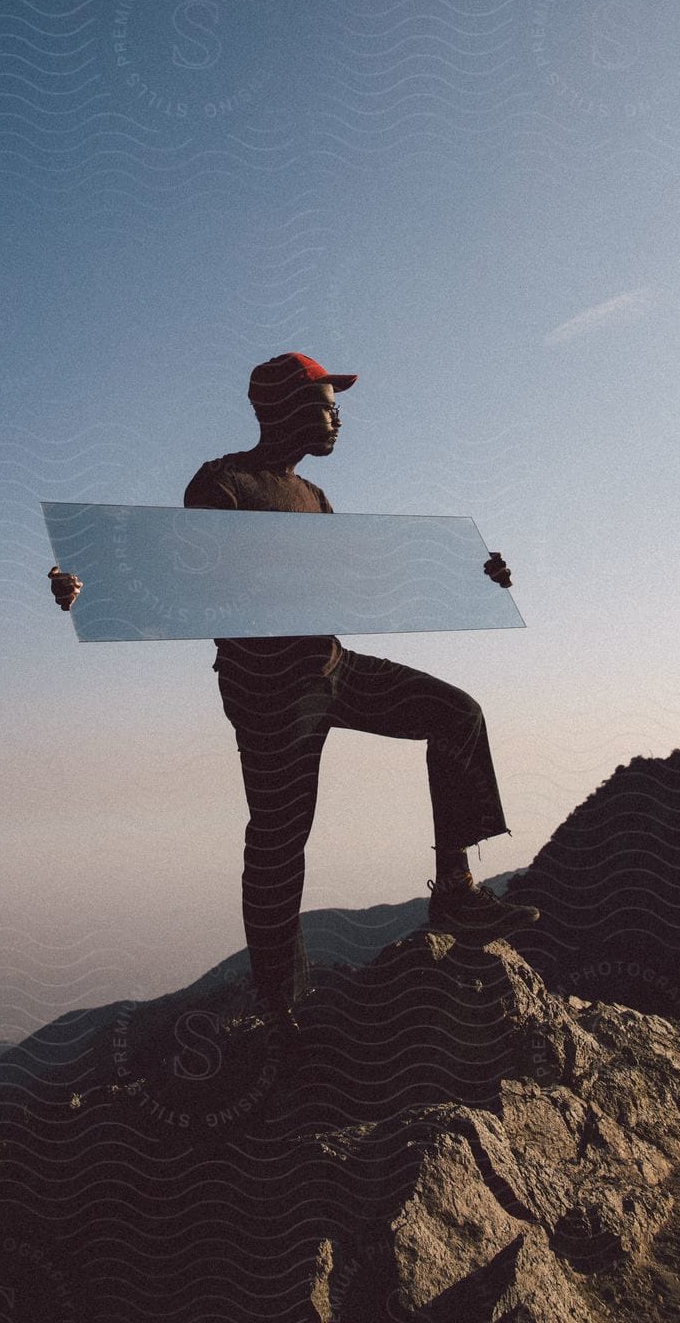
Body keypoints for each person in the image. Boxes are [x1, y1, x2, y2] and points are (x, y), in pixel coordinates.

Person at [48, 351, 537, 1035]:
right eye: (326, 403)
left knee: (456, 713)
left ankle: (454, 891)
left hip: (332, 665)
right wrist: (85, 586)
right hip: (269, 689)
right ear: (283, 408)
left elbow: (357, 584)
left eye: (336, 405)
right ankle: (281, 1007)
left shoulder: (315, 498)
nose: (337, 418)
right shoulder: (223, 483)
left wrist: (473, 576)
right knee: (280, 841)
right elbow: (170, 572)